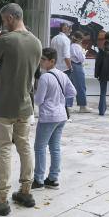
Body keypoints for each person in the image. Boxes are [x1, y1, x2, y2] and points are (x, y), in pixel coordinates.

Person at [0, 3, 42, 216]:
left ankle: (1, 198)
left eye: (5, 19)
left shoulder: (5, 39)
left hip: (4, 105)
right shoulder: (37, 42)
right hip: (25, 105)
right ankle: (25, 191)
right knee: (24, 147)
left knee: (3, 149)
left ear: (12, 17)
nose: (4, 23)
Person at [32, 48, 76, 190]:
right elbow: (72, 92)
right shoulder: (62, 75)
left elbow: (38, 100)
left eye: (44, 59)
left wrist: (49, 100)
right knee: (55, 148)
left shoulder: (45, 77)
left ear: (52, 61)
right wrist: (59, 100)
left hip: (48, 116)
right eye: (41, 59)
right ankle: (53, 178)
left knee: (39, 148)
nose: (41, 62)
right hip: (61, 115)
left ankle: (38, 180)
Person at [69, 31, 91, 113]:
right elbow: (81, 58)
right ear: (79, 39)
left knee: (71, 86)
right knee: (81, 86)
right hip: (77, 65)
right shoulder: (77, 46)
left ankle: (68, 105)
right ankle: (83, 106)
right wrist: (84, 53)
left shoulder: (71, 45)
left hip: (72, 65)